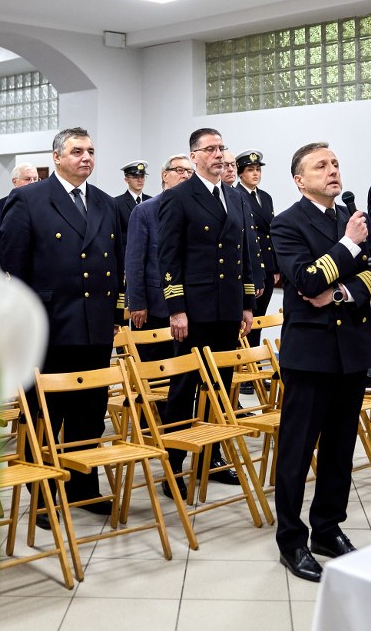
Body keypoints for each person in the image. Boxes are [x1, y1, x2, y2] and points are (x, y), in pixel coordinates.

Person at [271, 141, 371, 583]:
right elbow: (305, 280)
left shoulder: (353, 216)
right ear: (300, 180)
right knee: (297, 451)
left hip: (353, 351)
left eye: (335, 163)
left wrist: (340, 291)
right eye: (321, 166)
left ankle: (327, 528)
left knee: (341, 448)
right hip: (311, 354)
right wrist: (347, 245)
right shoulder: (286, 223)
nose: (332, 170)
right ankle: (291, 540)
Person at [0, 126, 123, 518]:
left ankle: (83, 485)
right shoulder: (28, 198)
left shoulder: (105, 202)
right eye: (76, 151)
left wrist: (115, 315)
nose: (85, 158)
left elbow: (116, 264)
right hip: (48, 326)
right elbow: (12, 265)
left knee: (90, 411)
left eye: (90, 151)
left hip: (95, 325)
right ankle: (41, 494)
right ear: (56, 157)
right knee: (45, 415)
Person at [158, 128, 257, 498]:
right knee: (184, 388)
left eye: (221, 148)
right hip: (194, 310)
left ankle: (211, 459)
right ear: (194, 155)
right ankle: (174, 466)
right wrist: (176, 309)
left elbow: (244, 252)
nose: (218, 154)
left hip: (227, 307)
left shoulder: (235, 197)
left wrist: (246, 303)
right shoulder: (179, 197)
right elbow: (168, 257)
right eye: (210, 149)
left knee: (220, 385)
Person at [125, 155, 193, 361]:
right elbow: (135, 262)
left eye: (189, 171)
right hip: (155, 306)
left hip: (189, 304)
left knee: (183, 367)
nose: (185, 175)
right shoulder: (145, 210)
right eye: (179, 170)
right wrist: (137, 303)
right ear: (165, 175)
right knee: (153, 367)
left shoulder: (194, 209)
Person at [236, 149, 278, 346]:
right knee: (247, 320)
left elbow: (271, 232)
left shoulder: (265, 197)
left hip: (267, 266)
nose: (255, 173)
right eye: (250, 170)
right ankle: (246, 358)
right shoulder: (235, 195)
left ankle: (255, 355)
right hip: (250, 266)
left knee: (259, 319)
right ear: (240, 173)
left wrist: (276, 267)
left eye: (258, 170)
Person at [115, 160, 150, 237]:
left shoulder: (151, 201)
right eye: (135, 177)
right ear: (126, 179)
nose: (140, 180)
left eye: (142, 176)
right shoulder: (117, 203)